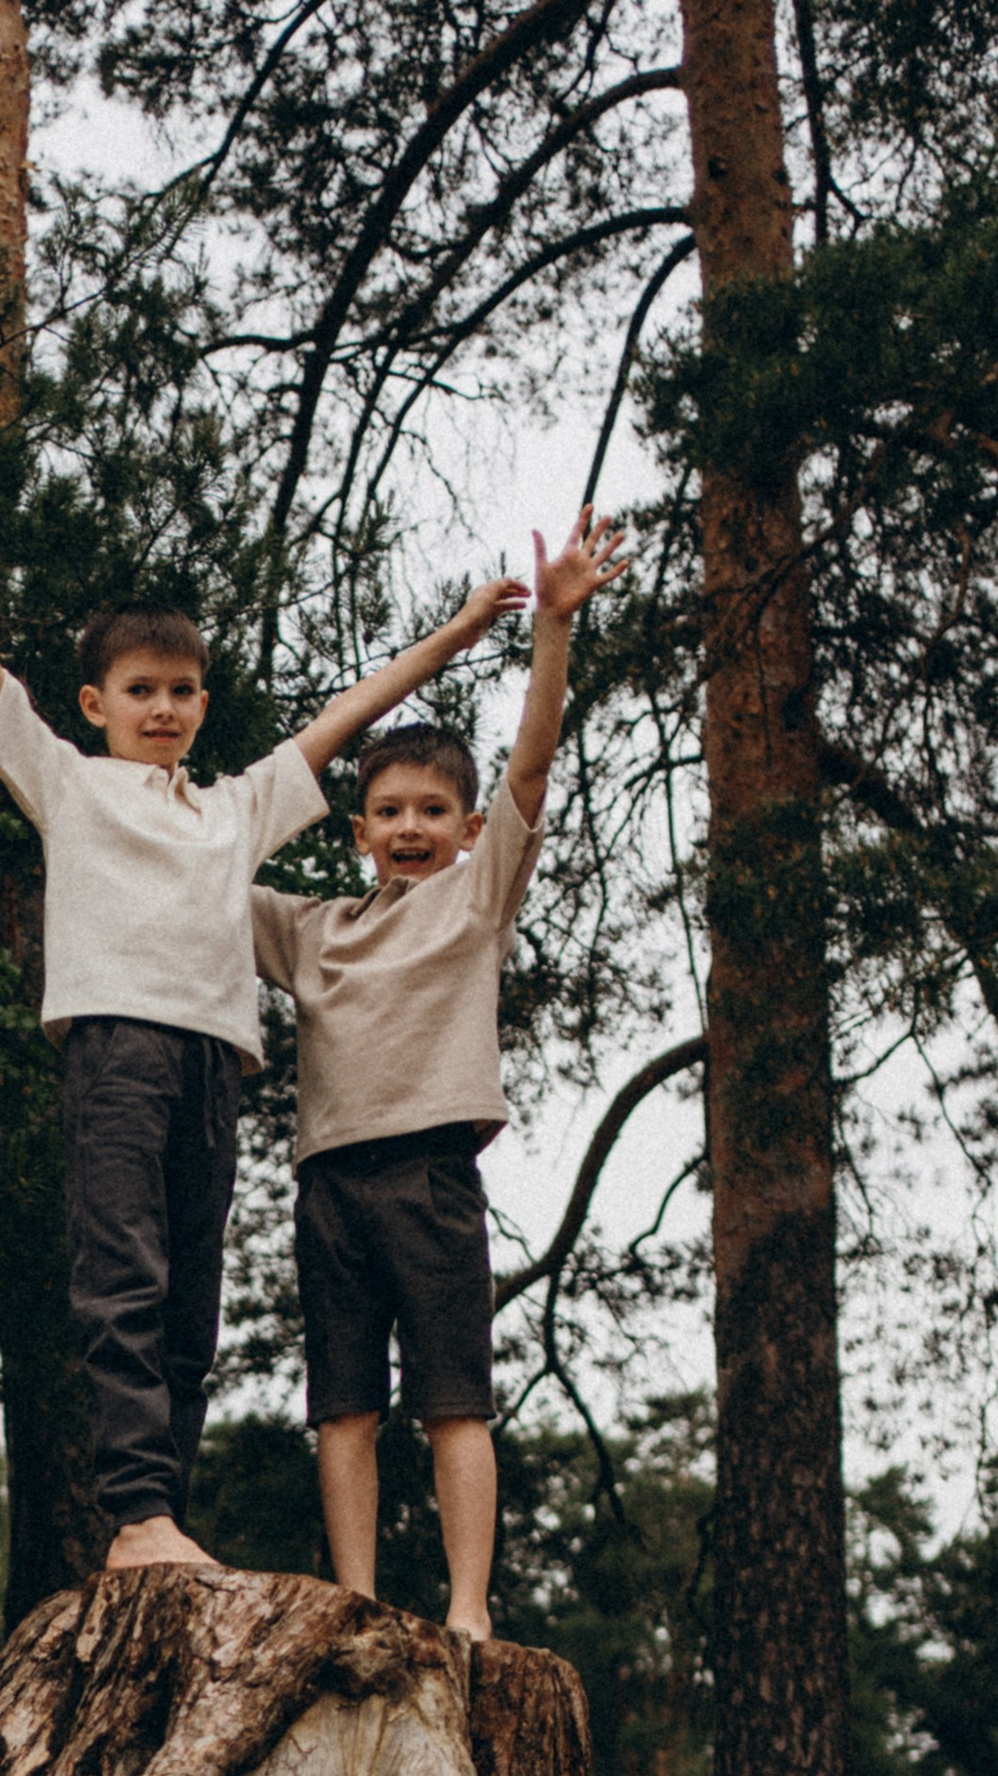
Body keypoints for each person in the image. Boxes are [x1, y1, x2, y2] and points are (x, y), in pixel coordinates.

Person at [0, 439, 531, 1574]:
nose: (165, 708)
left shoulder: (236, 810)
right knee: (121, 1274)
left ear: (203, 702)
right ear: (95, 704)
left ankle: (162, 1519)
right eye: (141, 691)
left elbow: (347, 714)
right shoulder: (69, 784)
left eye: (183, 691)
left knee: (190, 1298)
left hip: (213, 1068)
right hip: (117, 1054)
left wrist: (460, 633)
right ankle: (132, 1510)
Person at [252, 512, 629, 1639]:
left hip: (428, 1177)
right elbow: (207, 863)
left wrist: (550, 630)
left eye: (430, 813)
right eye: (387, 813)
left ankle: (467, 1607)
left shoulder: (475, 901)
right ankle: (357, 1604)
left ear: (466, 831)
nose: (408, 829)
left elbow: (532, 759)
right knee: (344, 1409)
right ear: (356, 829)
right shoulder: (312, 930)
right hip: (328, 1186)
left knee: (453, 1402)